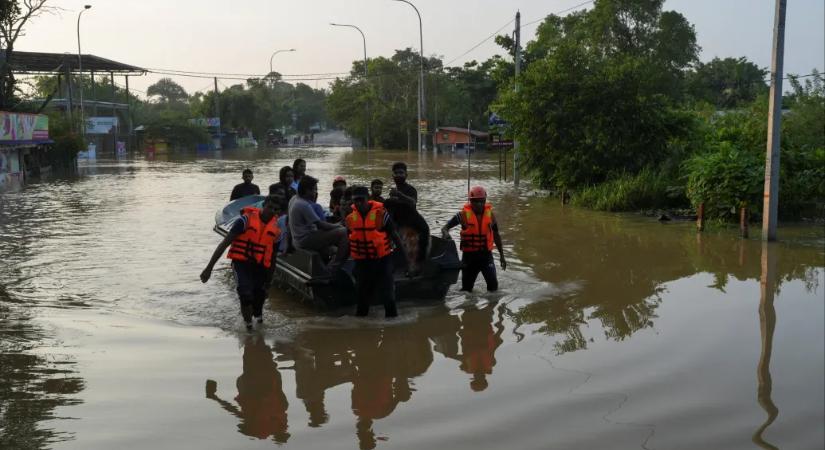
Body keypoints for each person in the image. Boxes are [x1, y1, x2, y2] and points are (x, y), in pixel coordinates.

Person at [201, 195, 282, 330]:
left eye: (275, 209)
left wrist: (269, 282)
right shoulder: (244, 221)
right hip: (241, 264)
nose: (271, 211)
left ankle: (258, 323)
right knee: (245, 295)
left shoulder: (276, 231)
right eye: (270, 207)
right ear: (263, 205)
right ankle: (248, 328)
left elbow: (273, 258)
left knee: (258, 301)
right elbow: (224, 244)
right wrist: (209, 268)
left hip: (261, 267)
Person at [345, 186, 406, 317]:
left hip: (382, 260)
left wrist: (405, 259)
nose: (359, 203)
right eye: (356, 200)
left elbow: (395, 235)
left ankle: (392, 326)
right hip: (362, 262)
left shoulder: (381, 215)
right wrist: (338, 262)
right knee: (362, 298)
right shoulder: (350, 219)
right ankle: (362, 329)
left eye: (361, 200)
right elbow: (348, 242)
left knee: (388, 295)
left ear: (368, 199)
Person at [440, 186, 506, 292]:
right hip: (469, 258)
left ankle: (491, 307)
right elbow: (444, 228)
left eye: (481, 201)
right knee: (466, 290)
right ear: (470, 201)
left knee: (493, 287)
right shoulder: (462, 215)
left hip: (486, 256)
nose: (479, 204)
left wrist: (502, 256)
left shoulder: (490, 216)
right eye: (475, 202)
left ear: (485, 200)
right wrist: (446, 234)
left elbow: (496, 235)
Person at [288, 176, 349, 273]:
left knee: (335, 250)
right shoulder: (303, 205)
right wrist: (338, 225)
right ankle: (333, 268)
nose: (315, 192)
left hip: (298, 238)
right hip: (305, 240)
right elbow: (322, 226)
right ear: (307, 190)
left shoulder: (294, 198)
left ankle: (327, 267)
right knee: (343, 232)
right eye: (314, 189)